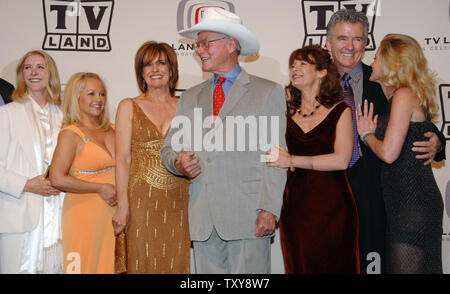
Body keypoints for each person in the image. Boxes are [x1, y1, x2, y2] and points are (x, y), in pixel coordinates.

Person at [160, 8, 287, 274]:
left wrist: (269, 208)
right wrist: (179, 163)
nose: (200, 50)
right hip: (203, 218)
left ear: (231, 45)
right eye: (198, 44)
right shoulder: (190, 96)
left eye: (207, 42)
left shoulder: (267, 92)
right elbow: (169, 150)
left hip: (249, 216)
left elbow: (276, 157)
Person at [325, 9, 445, 274]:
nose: (350, 46)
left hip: (379, 201)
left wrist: (438, 141)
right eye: (342, 39)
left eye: (357, 39)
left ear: (366, 43)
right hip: (328, 197)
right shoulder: (312, 82)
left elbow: (419, 125)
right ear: (328, 42)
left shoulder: (385, 79)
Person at [266, 45, 359, 273]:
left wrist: (292, 160)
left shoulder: (341, 110)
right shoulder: (285, 114)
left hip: (333, 210)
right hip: (296, 210)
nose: (294, 69)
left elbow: (341, 160)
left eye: (302, 64)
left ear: (322, 71)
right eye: (292, 65)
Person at [356, 34, 443, 274]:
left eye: (376, 58)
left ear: (391, 63)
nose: (372, 62)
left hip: (413, 203)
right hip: (400, 203)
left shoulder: (404, 95)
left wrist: (367, 134)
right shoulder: (396, 97)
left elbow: (389, 153)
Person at [113, 41, 191, 274]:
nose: (155, 69)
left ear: (171, 69)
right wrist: (122, 204)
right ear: (141, 71)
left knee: (176, 264)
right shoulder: (128, 106)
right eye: (148, 64)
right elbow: (123, 159)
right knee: (141, 262)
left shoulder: (186, 106)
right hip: (140, 202)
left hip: (179, 202)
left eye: (161, 63)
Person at [50, 72, 126, 274]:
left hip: (115, 215)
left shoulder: (114, 129)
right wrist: (99, 187)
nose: (98, 99)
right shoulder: (70, 134)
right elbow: (56, 178)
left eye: (101, 94)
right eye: (91, 94)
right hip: (83, 215)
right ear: (76, 98)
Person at [0, 50, 64, 274]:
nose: (34, 72)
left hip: (60, 215)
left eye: (40, 67)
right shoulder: (6, 114)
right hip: (20, 213)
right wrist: (27, 184)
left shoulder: (65, 116)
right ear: (21, 74)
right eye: (28, 67)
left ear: (50, 73)